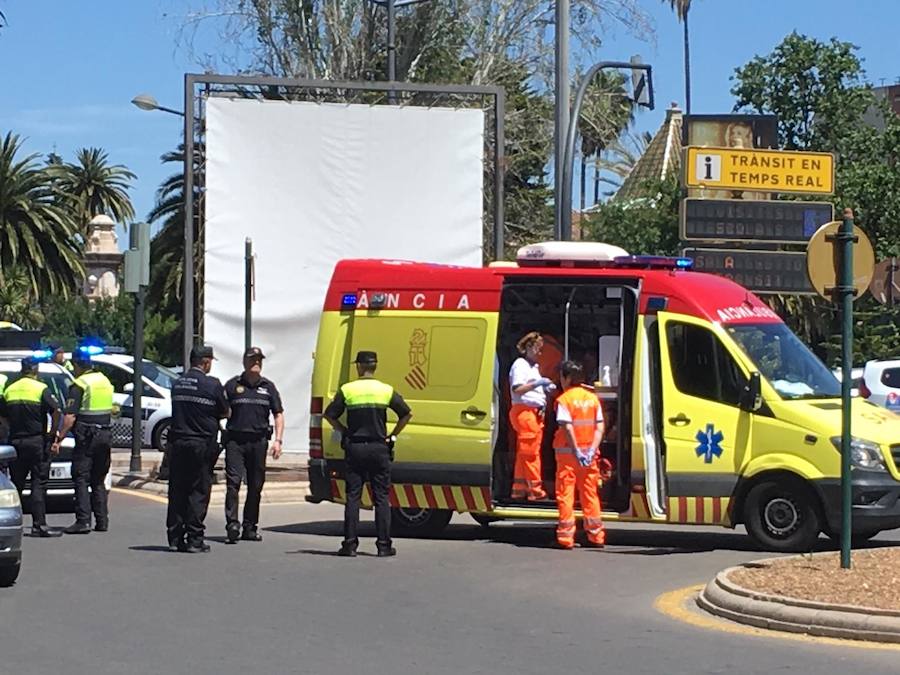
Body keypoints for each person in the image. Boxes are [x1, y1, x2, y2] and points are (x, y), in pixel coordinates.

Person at [323, 351, 411, 558]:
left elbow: (329, 414)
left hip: (355, 447)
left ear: (359, 367)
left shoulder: (348, 390)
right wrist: (392, 435)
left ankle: (350, 545)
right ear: (375, 366)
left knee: (353, 497)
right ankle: (383, 545)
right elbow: (406, 413)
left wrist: (344, 430)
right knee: (381, 497)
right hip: (379, 447)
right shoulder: (386, 390)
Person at [166, 345, 228, 553]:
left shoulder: (177, 383)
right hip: (201, 444)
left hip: (178, 443)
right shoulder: (212, 384)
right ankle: (194, 538)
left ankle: (175, 537)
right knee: (198, 491)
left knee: (177, 490)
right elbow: (225, 411)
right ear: (206, 362)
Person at [222, 346, 285, 544]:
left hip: (258, 442)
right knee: (233, 483)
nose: (256, 362)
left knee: (256, 485)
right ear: (244, 362)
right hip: (235, 441)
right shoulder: (232, 386)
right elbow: (220, 409)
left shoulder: (269, 387)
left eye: (259, 359)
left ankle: (250, 526)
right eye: (253, 359)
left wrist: (278, 440)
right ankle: (232, 524)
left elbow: (278, 414)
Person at [54, 345, 115, 534]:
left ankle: (83, 521)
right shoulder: (104, 380)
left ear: (77, 365)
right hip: (105, 434)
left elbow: (70, 416)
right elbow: (114, 408)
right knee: (98, 478)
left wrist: (59, 438)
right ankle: (102, 521)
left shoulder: (79, 384)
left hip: (87, 436)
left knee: (80, 476)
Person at [0, 357, 63, 537]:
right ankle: (39, 525)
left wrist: (10, 426)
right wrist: (52, 434)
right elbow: (56, 410)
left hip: (16, 442)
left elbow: (2, 415)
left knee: (16, 483)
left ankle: (14, 523)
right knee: (38, 483)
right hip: (36, 441)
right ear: (35, 370)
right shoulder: (40, 388)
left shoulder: (10, 390)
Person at [552, 360, 606, 549]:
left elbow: (567, 428)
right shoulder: (592, 399)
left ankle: (566, 538)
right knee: (590, 494)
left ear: (566, 378)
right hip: (589, 456)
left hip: (568, 456)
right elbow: (600, 426)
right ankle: (596, 536)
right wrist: (590, 449)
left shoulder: (564, 400)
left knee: (566, 494)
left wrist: (576, 451)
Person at [508, 331, 555, 500]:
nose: (540, 353)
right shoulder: (520, 364)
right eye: (538, 349)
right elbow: (518, 389)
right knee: (531, 453)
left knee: (524, 453)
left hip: (533, 412)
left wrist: (543, 391)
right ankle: (536, 491)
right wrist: (538, 383)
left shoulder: (533, 367)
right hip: (524, 412)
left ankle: (519, 489)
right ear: (529, 347)